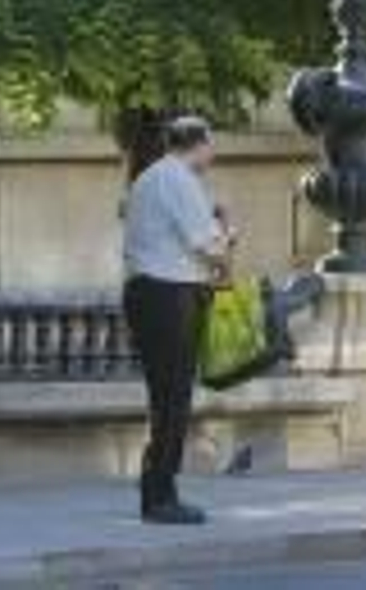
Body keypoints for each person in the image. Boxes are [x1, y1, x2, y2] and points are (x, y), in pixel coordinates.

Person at [122, 115, 232, 525]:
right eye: (212, 144)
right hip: (169, 294)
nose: (214, 153)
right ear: (198, 143)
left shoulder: (154, 176)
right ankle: (160, 496)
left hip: (154, 292)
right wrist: (228, 232)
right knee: (173, 399)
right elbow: (210, 249)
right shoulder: (178, 180)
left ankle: (157, 487)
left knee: (165, 398)